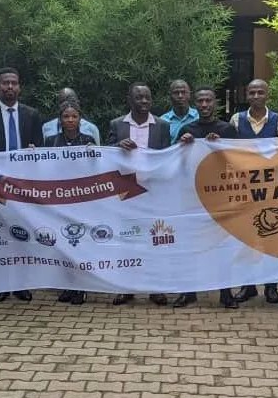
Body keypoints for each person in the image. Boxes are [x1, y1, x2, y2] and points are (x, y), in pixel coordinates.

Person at [0, 67, 44, 303]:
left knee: (23, 235)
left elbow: (41, 151)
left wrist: (36, 151)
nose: (10, 87)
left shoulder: (32, 114)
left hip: (24, 187)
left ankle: (22, 284)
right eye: (5, 83)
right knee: (1, 236)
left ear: (20, 87)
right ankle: (1, 284)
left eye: (14, 83)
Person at [174, 87, 239, 309]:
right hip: (191, 197)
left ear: (215, 103)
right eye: (200, 101)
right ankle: (188, 291)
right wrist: (181, 146)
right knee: (190, 244)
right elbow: (176, 164)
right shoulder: (186, 129)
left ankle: (226, 292)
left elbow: (238, 162)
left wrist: (219, 147)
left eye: (208, 100)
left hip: (221, 196)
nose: (204, 105)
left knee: (223, 246)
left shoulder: (228, 129)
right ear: (195, 103)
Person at [108, 82, 170, 306]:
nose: (144, 101)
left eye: (147, 97)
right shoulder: (117, 124)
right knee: (127, 241)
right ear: (129, 100)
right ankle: (127, 288)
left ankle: (155, 288)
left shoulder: (162, 125)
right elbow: (106, 156)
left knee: (155, 241)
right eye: (139, 97)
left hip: (153, 192)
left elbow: (168, 156)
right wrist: (117, 145)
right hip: (126, 193)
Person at [229, 78, 278, 305]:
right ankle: (248, 286)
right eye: (252, 92)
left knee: (270, 237)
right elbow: (229, 150)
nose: (256, 96)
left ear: (267, 94)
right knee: (247, 238)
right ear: (247, 95)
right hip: (245, 188)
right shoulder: (236, 120)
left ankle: (271, 286)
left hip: (271, 188)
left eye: (260, 92)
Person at [45, 99, 96, 306]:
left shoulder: (88, 139)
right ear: (60, 120)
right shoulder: (50, 141)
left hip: (82, 198)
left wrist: (95, 152)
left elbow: (98, 168)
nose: (70, 120)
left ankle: (82, 287)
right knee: (63, 243)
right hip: (59, 199)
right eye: (66, 116)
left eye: (74, 116)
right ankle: (68, 285)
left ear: (80, 119)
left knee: (80, 243)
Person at [160, 80, 199, 144]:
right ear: (170, 96)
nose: (180, 96)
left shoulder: (199, 117)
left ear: (189, 94)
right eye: (176, 93)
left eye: (183, 92)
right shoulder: (163, 121)